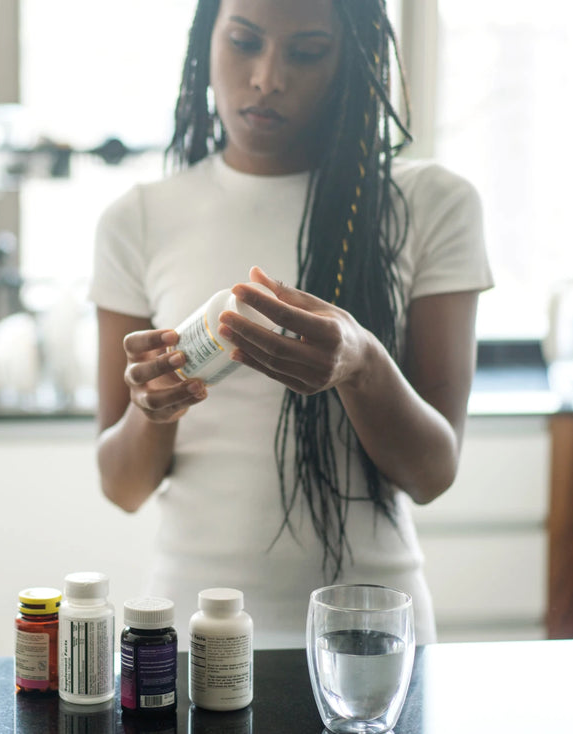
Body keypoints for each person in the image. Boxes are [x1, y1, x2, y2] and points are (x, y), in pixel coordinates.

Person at [88, 0, 493, 647]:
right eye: (244, 41)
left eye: (306, 52)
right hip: (193, 633)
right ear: (206, 39)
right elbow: (123, 486)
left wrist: (361, 365)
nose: (268, 77)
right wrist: (153, 409)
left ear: (352, 63)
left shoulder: (432, 205)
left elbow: (431, 474)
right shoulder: (137, 218)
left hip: (369, 636)